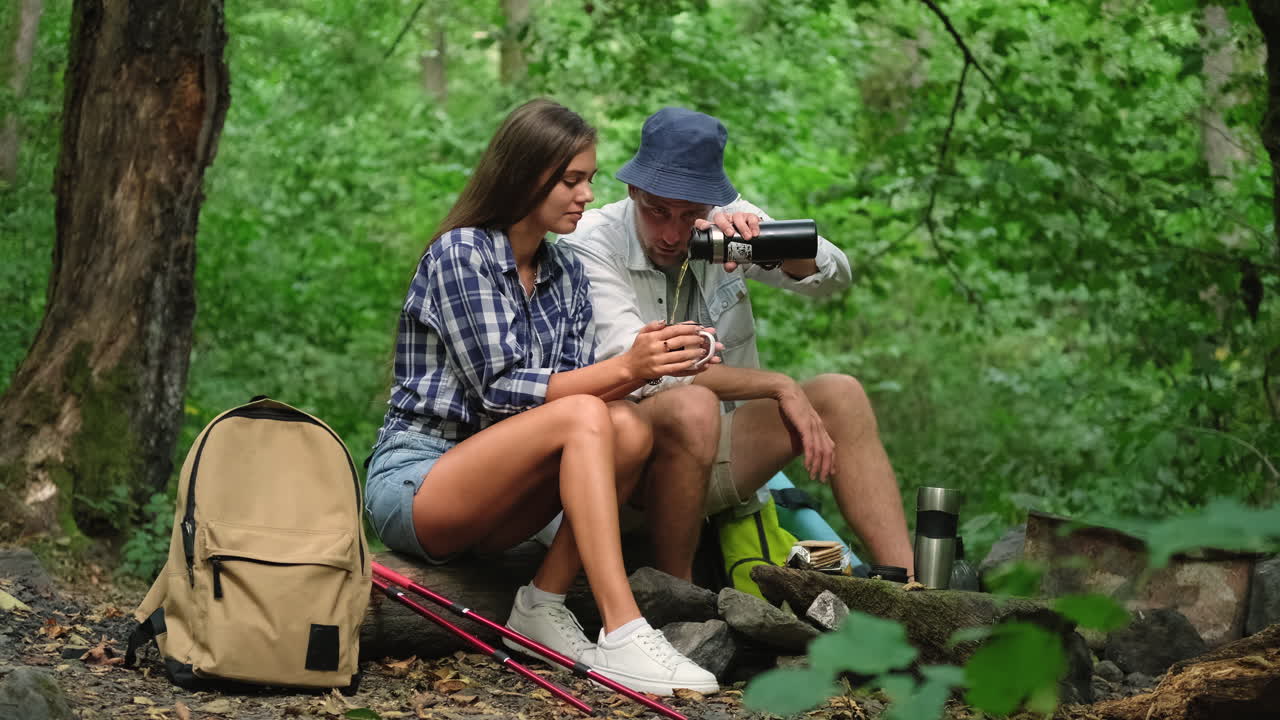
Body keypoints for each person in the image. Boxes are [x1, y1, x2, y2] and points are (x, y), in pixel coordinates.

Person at [364, 99, 720, 696]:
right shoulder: (463, 253)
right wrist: (628, 365)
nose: (586, 195)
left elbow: (586, 399)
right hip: (420, 480)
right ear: (525, 175)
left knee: (628, 426)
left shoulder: (566, 273)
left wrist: (652, 361)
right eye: (571, 179)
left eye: (588, 180)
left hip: (510, 496)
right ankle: (622, 625)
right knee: (592, 412)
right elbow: (501, 391)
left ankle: (542, 604)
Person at [558, 107, 916, 581]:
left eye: (689, 216)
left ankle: (914, 588)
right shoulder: (591, 244)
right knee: (691, 405)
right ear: (633, 190)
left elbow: (835, 277)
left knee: (841, 394)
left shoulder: (724, 228)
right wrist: (776, 385)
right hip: (626, 470)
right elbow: (651, 371)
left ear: (711, 204)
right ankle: (676, 592)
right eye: (657, 211)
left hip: (716, 460)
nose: (671, 233)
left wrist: (769, 242)